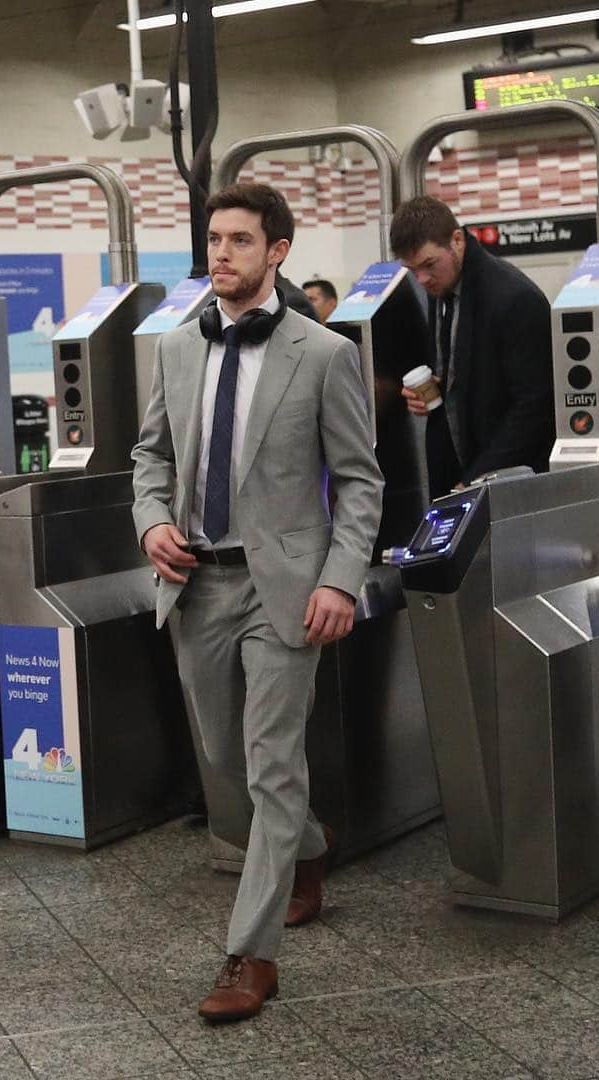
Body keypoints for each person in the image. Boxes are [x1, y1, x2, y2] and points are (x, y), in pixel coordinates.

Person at [132, 182, 383, 1024]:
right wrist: (151, 525)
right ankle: (309, 849)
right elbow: (149, 458)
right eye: (213, 239)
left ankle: (251, 954)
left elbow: (358, 483)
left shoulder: (322, 354)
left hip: (282, 586)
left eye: (240, 241)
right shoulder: (174, 349)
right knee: (223, 761)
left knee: (273, 760)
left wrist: (340, 579)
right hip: (194, 582)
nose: (222, 255)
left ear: (277, 252)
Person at [390, 195, 555, 496]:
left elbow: (534, 406)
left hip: (505, 479)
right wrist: (431, 391)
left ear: (457, 240)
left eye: (429, 264)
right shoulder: (441, 290)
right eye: (412, 270)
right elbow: (465, 374)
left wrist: (477, 479)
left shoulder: (514, 298)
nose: (422, 279)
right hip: (457, 473)